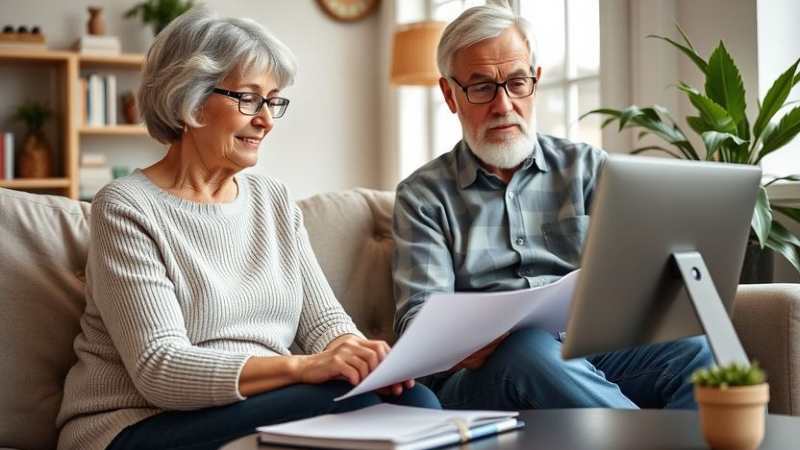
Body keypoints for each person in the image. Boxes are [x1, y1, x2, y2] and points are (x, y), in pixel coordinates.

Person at [56, 8, 440, 450]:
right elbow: (160, 369)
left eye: (273, 100)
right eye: (249, 99)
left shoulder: (272, 201)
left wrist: (361, 357)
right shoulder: (125, 207)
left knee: (417, 399)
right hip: (137, 425)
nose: (267, 120)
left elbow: (325, 323)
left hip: (253, 405)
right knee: (352, 403)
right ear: (191, 100)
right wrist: (302, 368)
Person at [392, 3, 712, 412]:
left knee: (692, 349)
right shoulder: (423, 196)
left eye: (516, 82)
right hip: (484, 376)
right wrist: (478, 336)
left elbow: (636, 280)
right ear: (450, 95)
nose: (504, 104)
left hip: (590, 351)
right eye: (482, 87)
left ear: (536, 81)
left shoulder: (588, 168)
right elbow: (420, 319)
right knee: (526, 350)